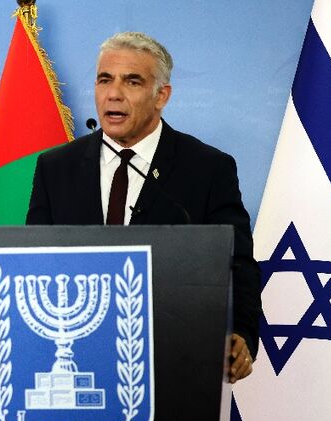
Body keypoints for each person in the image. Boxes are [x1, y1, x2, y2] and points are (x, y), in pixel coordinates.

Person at [27, 32, 261, 383]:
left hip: (173, 358)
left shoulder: (208, 168)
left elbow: (237, 260)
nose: (114, 93)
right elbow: (35, 258)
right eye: (105, 79)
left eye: (132, 81)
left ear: (161, 96)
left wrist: (241, 332)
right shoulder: (56, 167)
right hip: (78, 353)